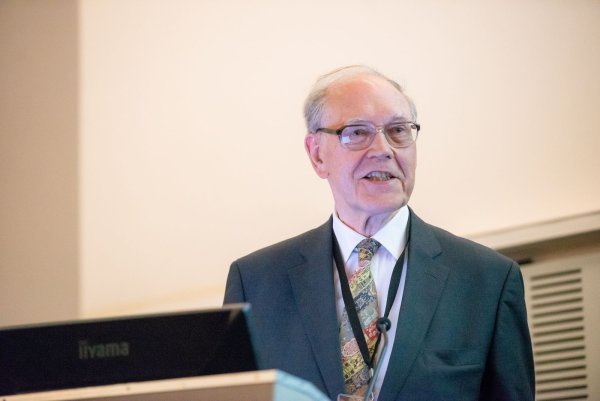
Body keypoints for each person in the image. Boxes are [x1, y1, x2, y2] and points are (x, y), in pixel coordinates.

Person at [224, 65, 535, 401]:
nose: (383, 149)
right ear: (317, 155)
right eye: (357, 133)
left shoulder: (487, 279)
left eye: (398, 130)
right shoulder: (256, 281)